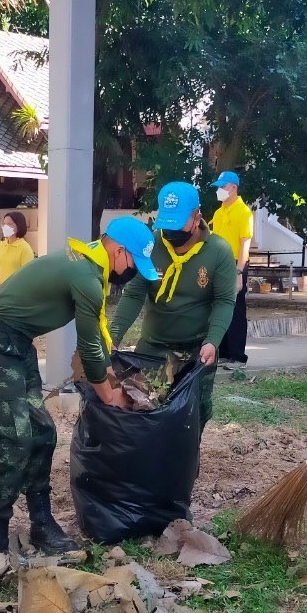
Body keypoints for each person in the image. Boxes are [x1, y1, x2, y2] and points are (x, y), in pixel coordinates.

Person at [0, 216, 160, 583]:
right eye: (134, 262)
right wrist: (109, 395)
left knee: (42, 433)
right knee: (15, 440)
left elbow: (97, 339)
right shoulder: (86, 277)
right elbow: (88, 346)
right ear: (119, 251)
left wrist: (108, 376)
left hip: (16, 344)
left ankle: (42, 525)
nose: (132, 271)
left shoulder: (88, 265)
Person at [109, 181, 237, 432]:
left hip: (198, 349)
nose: (171, 232)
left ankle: (186, 465)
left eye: (177, 225)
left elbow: (224, 301)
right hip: (154, 347)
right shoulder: (152, 245)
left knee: (196, 411)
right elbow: (134, 294)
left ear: (197, 217)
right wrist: (114, 334)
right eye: (166, 225)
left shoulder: (218, 251)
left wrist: (213, 340)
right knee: (145, 407)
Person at [208, 171, 253, 366]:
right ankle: (224, 352)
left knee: (236, 309)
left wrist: (239, 273)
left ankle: (237, 355)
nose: (219, 191)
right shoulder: (219, 213)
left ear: (233, 187)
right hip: (218, 262)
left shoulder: (244, 212)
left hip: (236, 263)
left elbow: (245, 244)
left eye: (222, 187)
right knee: (220, 307)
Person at [0, 211, 35, 287]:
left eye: (9, 224)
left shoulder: (24, 248)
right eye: (5, 224)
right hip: (0, 291)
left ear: (18, 226)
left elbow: (27, 275)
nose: (5, 227)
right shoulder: (1, 246)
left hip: (16, 292)